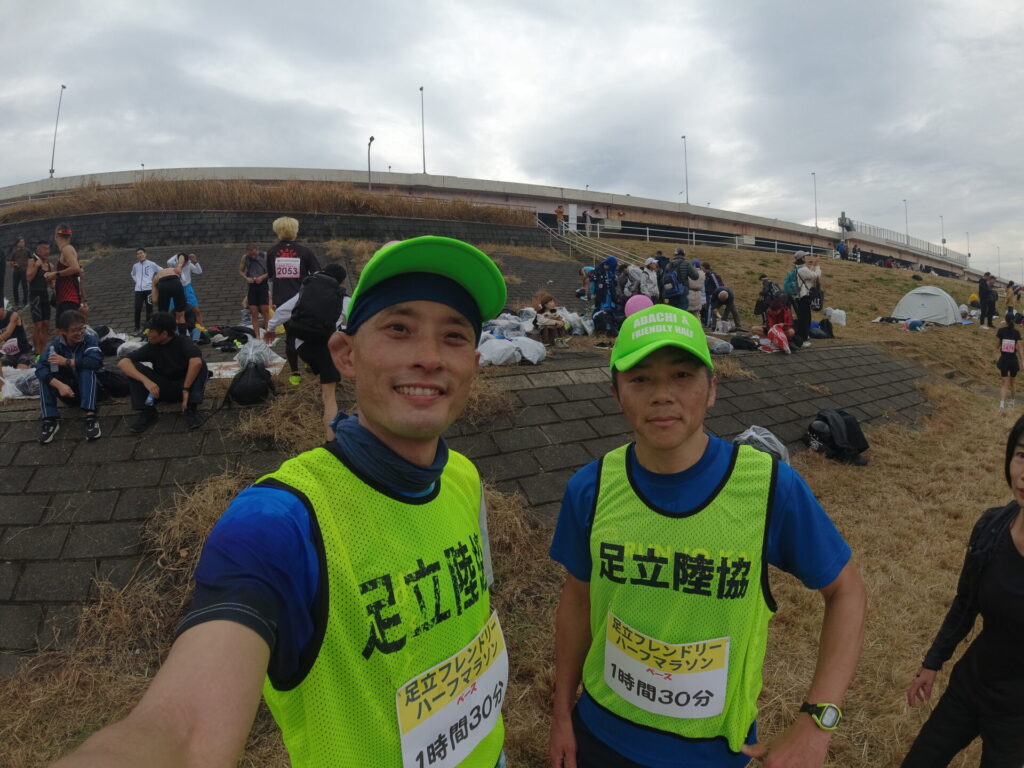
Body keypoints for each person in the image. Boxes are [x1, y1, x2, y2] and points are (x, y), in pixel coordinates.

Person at [52, 236, 510, 768]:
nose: (429, 358)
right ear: (345, 354)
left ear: (474, 363)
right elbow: (185, 730)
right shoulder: (280, 522)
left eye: (453, 336)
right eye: (398, 329)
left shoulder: (463, 477)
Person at [547, 304, 866, 768]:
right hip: (600, 736)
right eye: (640, 379)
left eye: (682, 376)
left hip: (713, 753)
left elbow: (847, 592)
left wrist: (817, 722)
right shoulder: (591, 487)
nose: (662, 395)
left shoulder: (769, 487)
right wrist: (561, 715)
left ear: (712, 389)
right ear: (617, 393)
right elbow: (577, 601)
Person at [901, 417, 1024, 766]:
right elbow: (965, 603)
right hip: (970, 686)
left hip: (1017, 717)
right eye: (1022, 456)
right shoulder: (991, 528)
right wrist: (933, 661)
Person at [264, 263, 348, 440]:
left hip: (302, 348)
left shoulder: (306, 290)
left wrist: (270, 329)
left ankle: (317, 372)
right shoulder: (343, 298)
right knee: (329, 398)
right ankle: (331, 442)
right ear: (341, 281)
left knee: (319, 367)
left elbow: (282, 311)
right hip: (325, 349)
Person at [117, 311, 209, 432]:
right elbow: (122, 363)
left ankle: (191, 408)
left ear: (164, 334)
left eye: (151, 331)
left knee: (200, 364)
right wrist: (146, 381)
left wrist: (186, 389)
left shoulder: (183, 341)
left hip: (185, 388)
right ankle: (147, 411)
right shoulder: (151, 347)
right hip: (162, 389)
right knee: (133, 367)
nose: (148, 334)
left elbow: (196, 362)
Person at [267, 216, 321, 385]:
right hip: (303, 299)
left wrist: (271, 297)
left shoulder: (272, 252)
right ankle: (310, 363)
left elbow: (270, 278)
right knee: (308, 334)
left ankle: (295, 374)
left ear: (277, 230)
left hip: (282, 300)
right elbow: (317, 274)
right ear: (295, 230)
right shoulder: (305, 251)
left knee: (290, 337)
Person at [34, 309, 103, 444]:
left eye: (81, 328)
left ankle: (91, 417)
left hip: (92, 391)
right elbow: (39, 367)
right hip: (68, 392)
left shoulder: (89, 340)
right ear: (62, 332)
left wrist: (67, 362)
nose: (79, 333)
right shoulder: (55, 346)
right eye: (74, 330)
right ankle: (49, 420)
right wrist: (59, 385)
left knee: (86, 368)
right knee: (45, 376)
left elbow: (96, 361)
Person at [46, 225, 83, 318]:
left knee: (67, 326)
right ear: (70, 236)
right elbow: (78, 274)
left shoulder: (67, 249)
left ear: (56, 236)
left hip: (68, 299)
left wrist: (56, 274)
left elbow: (75, 268)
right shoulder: (68, 249)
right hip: (67, 299)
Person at [25, 240, 54, 355]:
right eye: (44, 248)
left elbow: (52, 284)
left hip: (45, 295)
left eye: (48, 248)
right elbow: (29, 278)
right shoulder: (32, 261)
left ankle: (44, 352)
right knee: (38, 325)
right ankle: (37, 354)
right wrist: (37, 266)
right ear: (38, 249)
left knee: (46, 325)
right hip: (34, 296)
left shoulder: (50, 265)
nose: (47, 251)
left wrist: (53, 281)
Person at [238, 243, 271, 340]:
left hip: (263, 285)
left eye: (254, 254)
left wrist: (262, 277)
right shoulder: (245, 258)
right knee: (253, 313)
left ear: (257, 250)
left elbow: (271, 271)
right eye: (250, 254)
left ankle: (268, 333)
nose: (252, 256)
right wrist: (246, 278)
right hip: (252, 286)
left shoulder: (264, 255)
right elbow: (240, 270)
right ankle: (257, 336)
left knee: (265, 312)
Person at [167, 251, 205, 333]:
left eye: (184, 260)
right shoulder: (174, 265)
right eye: (181, 260)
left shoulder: (188, 264)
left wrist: (195, 261)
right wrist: (179, 255)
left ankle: (203, 329)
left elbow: (199, 271)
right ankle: (172, 330)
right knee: (172, 311)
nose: (183, 262)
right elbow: (169, 262)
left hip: (187, 288)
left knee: (196, 310)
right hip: (176, 288)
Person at [150, 261, 190, 336]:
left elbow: (154, 300)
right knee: (181, 315)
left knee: (163, 315)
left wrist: (158, 303)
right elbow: (184, 281)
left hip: (163, 285)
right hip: (175, 282)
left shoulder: (156, 277)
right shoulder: (173, 270)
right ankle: (183, 337)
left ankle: (166, 336)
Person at [130, 247, 161, 334]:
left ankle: (148, 328)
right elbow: (133, 274)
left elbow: (161, 270)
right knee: (137, 308)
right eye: (138, 254)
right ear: (137, 256)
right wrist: (137, 281)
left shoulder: (151, 264)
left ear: (145, 254)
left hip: (149, 290)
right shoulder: (135, 266)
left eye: (141, 253)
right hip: (138, 290)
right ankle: (137, 327)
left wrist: (154, 281)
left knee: (149, 309)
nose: (140, 255)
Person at [794, 252, 821, 346]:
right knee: (805, 319)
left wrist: (813, 265)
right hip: (803, 297)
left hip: (801, 297)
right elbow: (816, 276)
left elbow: (810, 275)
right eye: (805, 256)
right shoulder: (802, 269)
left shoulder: (800, 268)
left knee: (804, 318)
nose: (806, 257)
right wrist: (817, 265)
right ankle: (803, 340)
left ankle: (803, 336)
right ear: (802, 258)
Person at [995, 314, 1022, 409]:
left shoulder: (1001, 331)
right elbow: (1020, 348)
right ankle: (1013, 402)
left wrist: (1001, 344)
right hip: (1013, 360)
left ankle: (1002, 404)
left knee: (1004, 383)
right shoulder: (1016, 332)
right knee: (1012, 383)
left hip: (1004, 360)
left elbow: (997, 346)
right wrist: (1022, 361)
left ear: (1005, 321)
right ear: (1013, 321)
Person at [0, 300, 35, 368]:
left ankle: (34, 362)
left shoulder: (13, 315)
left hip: (24, 352)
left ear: (2, 308)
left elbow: (8, 333)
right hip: (9, 355)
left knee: (20, 372)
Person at [8, 236, 31, 306]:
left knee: (25, 287)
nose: (22, 243)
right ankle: (16, 302)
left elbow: (31, 259)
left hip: (24, 271)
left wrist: (28, 266)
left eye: (23, 242)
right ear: (17, 243)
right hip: (16, 271)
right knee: (15, 287)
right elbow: (11, 261)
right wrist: (14, 264)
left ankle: (25, 302)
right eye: (21, 242)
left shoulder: (27, 251)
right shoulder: (14, 252)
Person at [701, 262, 724, 328]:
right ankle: (710, 323)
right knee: (709, 308)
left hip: (712, 295)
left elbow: (717, 285)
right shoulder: (706, 275)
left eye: (702, 267)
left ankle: (708, 324)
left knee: (709, 309)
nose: (701, 269)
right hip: (708, 294)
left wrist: (716, 294)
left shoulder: (712, 274)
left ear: (705, 267)